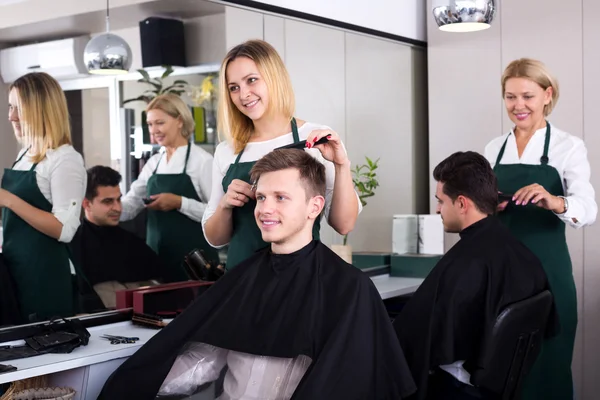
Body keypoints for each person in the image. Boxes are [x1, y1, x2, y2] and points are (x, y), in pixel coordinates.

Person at [98, 149, 416, 400]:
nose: (264, 209)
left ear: (314, 206)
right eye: (261, 197)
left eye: (281, 197)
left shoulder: (348, 288)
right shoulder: (243, 280)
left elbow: (349, 384)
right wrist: (138, 380)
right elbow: (204, 363)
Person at [393, 151, 556, 400]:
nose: (437, 210)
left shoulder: (465, 264)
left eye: (441, 201)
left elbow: (414, 338)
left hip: (458, 390)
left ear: (461, 203)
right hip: (499, 386)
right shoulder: (524, 255)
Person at [484, 58, 597, 399]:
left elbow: (588, 209)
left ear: (547, 95)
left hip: (549, 274)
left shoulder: (567, 146)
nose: (518, 106)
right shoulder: (493, 149)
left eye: (527, 96)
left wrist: (554, 201)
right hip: (501, 274)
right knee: (500, 365)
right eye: (510, 97)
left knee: (549, 363)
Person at [202, 39, 361, 269]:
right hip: (241, 283)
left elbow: (344, 225)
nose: (243, 94)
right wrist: (225, 205)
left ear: (274, 77)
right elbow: (216, 239)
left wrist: (341, 164)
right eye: (234, 87)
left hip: (300, 278)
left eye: (252, 80)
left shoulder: (314, 138)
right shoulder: (227, 151)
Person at [1, 72, 86, 322]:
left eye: (19, 108)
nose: (11, 116)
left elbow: (64, 229)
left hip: (44, 275)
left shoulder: (65, 159)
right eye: (10, 106)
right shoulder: (25, 154)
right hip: (15, 267)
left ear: (41, 109)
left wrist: (8, 199)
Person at [120, 93, 217, 283]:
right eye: (149, 124)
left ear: (179, 121)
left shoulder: (202, 161)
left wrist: (180, 203)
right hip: (158, 258)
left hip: (195, 263)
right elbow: (133, 202)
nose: (153, 130)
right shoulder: (154, 163)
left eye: (160, 123)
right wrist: (111, 209)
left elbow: (216, 214)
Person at [70, 166, 166, 310]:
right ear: (86, 204)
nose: (118, 208)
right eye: (108, 201)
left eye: (118, 200)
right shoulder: (73, 245)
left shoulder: (132, 243)